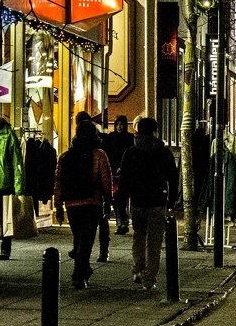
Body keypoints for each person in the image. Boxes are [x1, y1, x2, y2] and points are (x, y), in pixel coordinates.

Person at [115, 117, 178, 290]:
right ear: (154, 132)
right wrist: (172, 198)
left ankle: (138, 269)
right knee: (155, 241)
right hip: (157, 201)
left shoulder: (131, 152)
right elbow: (173, 177)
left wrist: (121, 200)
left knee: (139, 235)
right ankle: (149, 278)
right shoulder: (163, 152)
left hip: (137, 201)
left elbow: (125, 180)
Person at [54, 120, 113, 289]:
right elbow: (105, 180)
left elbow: (58, 182)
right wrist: (108, 201)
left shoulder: (65, 156)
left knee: (79, 238)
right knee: (86, 242)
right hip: (91, 203)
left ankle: (83, 270)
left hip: (72, 204)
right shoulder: (99, 155)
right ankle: (79, 275)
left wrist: (58, 206)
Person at [75, 111, 112, 261]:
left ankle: (80, 256)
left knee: (80, 231)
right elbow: (105, 176)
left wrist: (59, 203)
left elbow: (60, 176)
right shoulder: (99, 149)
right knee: (101, 224)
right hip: (95, 196)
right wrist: (108, 199)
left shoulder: (73, 149)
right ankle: (102, 252)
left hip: (76, 197)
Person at [0, 117, 25, 262]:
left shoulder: (8, 135)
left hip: (5, 185)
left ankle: (5, 249)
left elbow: (17, 163)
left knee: (7, 220)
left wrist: (19, 188)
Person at [105, 115, 135, 234]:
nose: (119, 127)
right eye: (117, 124)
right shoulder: (111, 138)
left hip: (125, 173)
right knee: (116, 199)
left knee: (121, 198)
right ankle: (121, 222)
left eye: (121, 124)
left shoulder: (129, 138)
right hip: (113, 172)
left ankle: (123, 223)